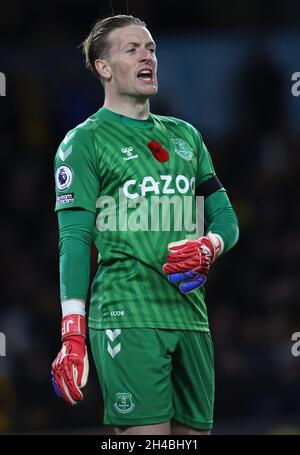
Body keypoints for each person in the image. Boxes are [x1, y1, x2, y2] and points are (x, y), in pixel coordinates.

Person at [51, 14, 239, 435]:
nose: (147, 56)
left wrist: (209, 245)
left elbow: (225, 217)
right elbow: (75, 241)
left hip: (191, 315)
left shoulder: (186, 137)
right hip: (126, 313)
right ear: (103, 68)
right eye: (132, 49)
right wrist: (72, 334)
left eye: (151, 48)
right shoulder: (84, 141)